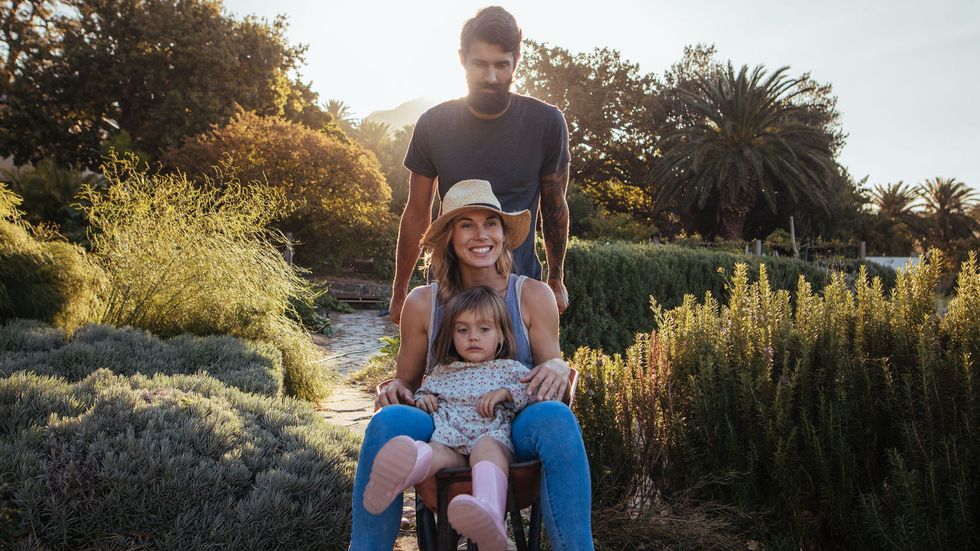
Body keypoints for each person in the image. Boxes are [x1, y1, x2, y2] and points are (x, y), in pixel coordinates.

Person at [349, 179, 593, 549]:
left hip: (510, 423)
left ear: (503, 233)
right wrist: (399, 389)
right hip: (444, 421)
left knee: (557, 419)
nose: (482, 235)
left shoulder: (532, 294)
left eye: (490, 223)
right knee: (387, 422)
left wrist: (558, 366)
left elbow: (549, 371)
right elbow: (408, 382)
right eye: (467, 224)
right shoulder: (422, 302)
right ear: (449, 235)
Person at [389, 5, 571, 326]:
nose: (491, 77)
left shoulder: (546, 123)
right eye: (480, 64)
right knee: (442, 375)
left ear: (517, 60)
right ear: (462, 59)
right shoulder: (433, 123)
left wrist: (556, 279)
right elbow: (418, 212)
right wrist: (400, 290)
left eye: (502, 66)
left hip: (519, 293)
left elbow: (554, 208)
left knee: (522, 376)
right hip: (449, 291)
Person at [362, 286, 531, 550]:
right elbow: (424, 392)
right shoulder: (443, 370)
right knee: (435, 451)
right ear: (452, 336)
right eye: (462, 330)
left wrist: (504, 393)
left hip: (491, 438)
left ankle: (489, 516)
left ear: (500, 336)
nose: (473, 337)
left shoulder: (510, 369)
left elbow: (528, 393)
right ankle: (400, 473)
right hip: (450, 440)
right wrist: (424, 400)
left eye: (484, 330)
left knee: (486, 449)